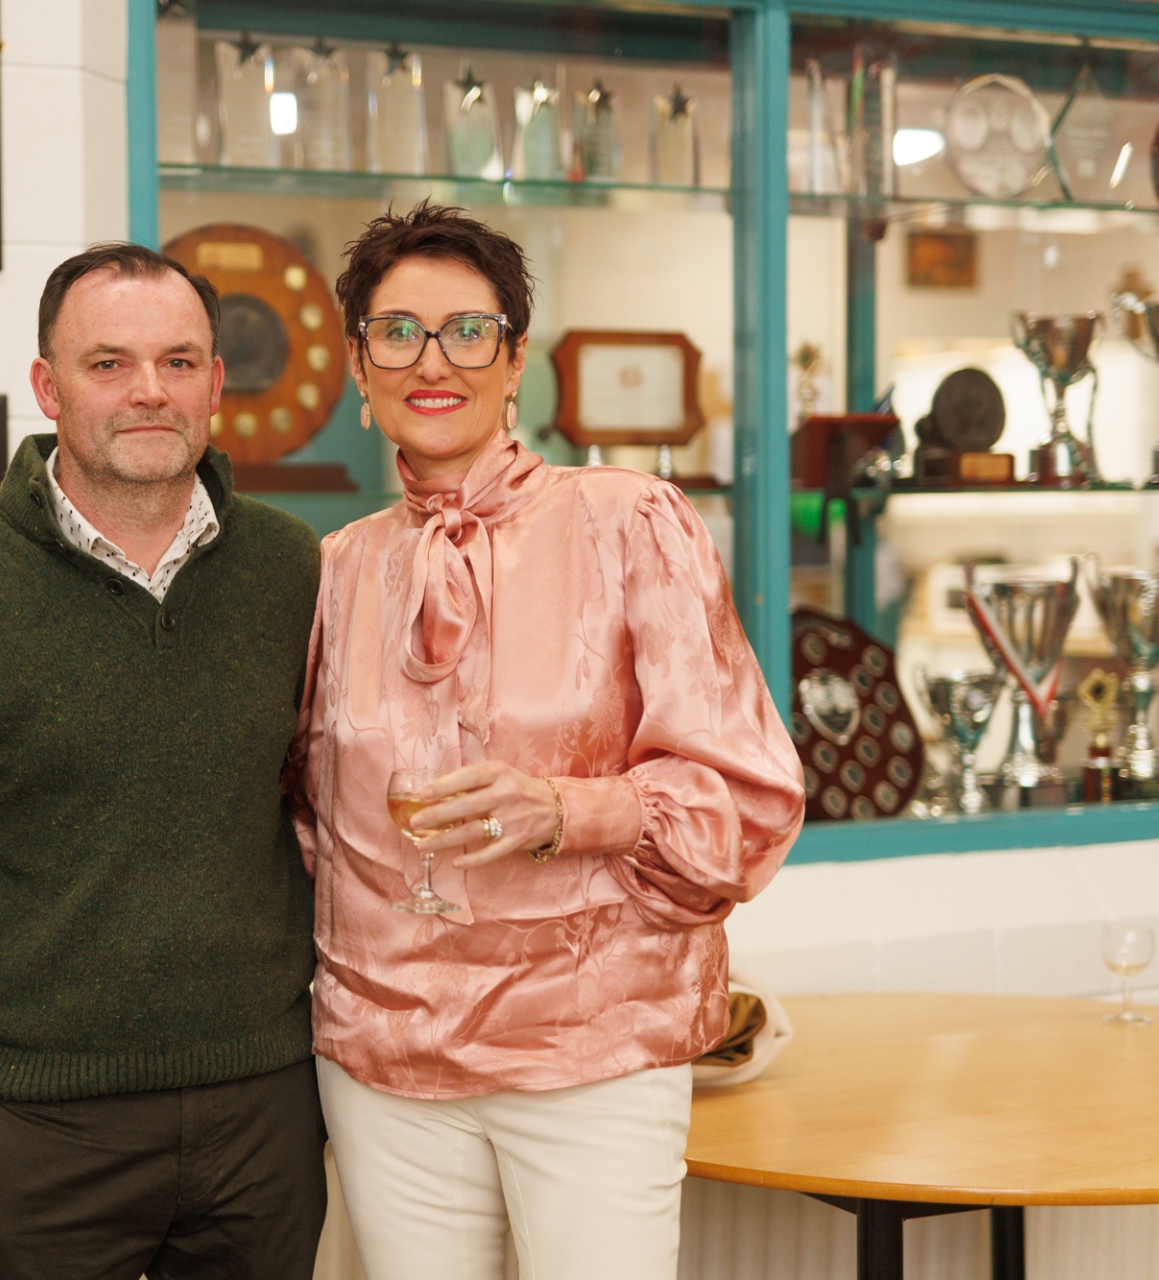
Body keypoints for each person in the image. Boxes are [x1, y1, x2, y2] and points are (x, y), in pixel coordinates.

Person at [292, 203, 804, 1280]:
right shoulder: (336, 567)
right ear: (359, 365)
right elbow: (307, 818)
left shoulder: (631, 521)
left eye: (468, 331)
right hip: (386, 1063)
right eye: (398, 332)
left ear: (516, 358)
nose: (434, 361)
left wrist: (568, 809)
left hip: (591, 1050)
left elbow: (750, 801)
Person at [0, 242, 327, 1279]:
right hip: (36, 1134)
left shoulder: (294, 570)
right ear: (49, 388)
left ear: (216, 384)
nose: (150, 391)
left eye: (179, 362)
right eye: (109, 364)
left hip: (264, 1116)